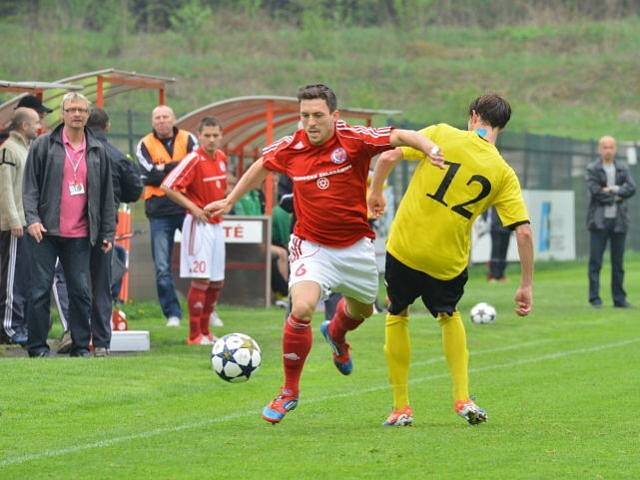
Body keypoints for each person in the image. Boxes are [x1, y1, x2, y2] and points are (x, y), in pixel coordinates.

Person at [206, 83, 444, 424]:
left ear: (334, 115)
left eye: (318, 115)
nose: (310, 123)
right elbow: (262, 164)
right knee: (302, 307)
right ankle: (289, 391)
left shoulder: (353, 140)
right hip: (311, 245)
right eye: (304, 116)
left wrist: (431, 147)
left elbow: (401, 136)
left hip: (355, 246)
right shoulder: (292, 146)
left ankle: (337, 334)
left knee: (363, 310)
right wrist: (229, 201)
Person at [368, 93, 534, 426]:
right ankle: (462, 398)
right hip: (448, 260)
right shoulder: (503, 173)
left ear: (473, 116)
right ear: (501, 127)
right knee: (448, 315)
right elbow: (524, 233)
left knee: (397, 313)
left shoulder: (442, 134)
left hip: (405, 247)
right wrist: (525, 285)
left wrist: (374, 194)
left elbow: (387, 158)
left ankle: (401, 407)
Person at [22, 92, 115, 357]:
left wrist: (107, 231)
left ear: (87, 115)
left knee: (80, 292)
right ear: (62, 114)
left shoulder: (97, 150)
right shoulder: (43, 145)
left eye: (81, 110)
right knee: (40, 290)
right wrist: (32, 220)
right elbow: (29, 187)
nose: (76, 114)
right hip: (45, 232)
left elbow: (107, 195)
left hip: (81, 234)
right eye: (71, 109)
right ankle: (37, 346)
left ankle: (79, 345)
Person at [161, 116, 227, 345]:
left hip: (218, 225)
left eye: (215, 135)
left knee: (217, 281)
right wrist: (194, 208)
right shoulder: (193, 159)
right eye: (207, 135)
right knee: (201, 279)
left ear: (221, 136)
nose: (211, 139)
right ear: (199, 136)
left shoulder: (221, 158)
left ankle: (206, 331)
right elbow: (167, 186)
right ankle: (194, 335)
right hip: (198, 226)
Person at [83, 107, 143, 355]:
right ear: (107, 126)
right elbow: (135, 190)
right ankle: (101, 340)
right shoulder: (118, 155)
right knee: (102, 282)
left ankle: (77, 333)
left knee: (76, 281)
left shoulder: (76, 151)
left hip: (74, 225)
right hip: (107, 225)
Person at [136, 105, 197, 327]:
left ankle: (206, 310)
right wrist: (177, 168)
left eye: (165, 116)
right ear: (153, 122)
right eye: (157, 118)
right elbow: (146, 175)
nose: (161, 121)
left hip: (187, 207)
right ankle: (173, 313)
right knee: (162, 266)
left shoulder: (189, 139)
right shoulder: (144, 144)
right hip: (159, 211)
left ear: (174, 119)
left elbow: (194, 168)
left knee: (200, 262)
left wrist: (162, 168)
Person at [0, 108, 40, 345]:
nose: (39, 126)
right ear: (24, 126)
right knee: (12, 277)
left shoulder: (24, 149)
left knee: (23, 277)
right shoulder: (8, 150)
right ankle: (9, 327)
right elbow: (5, 189)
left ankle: (19, 323)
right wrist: (14, 220)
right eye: (36, 122)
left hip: (25, 223)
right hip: (14, 226)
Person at [586, 135, 636, 308]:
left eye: (611, 147)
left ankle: (619, 299)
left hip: (619, 222)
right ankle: (594, 298)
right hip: (598, 222)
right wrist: (617, 197)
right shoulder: (592, 168)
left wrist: (613, 189)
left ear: (615, 149)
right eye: (605, 147)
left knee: (618, 263)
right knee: (595, 262)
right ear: (600, 149)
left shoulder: (622, 168)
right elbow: (595, 191)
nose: (608, 150)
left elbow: (631, 188)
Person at [485, 206, 512, 282]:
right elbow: (485, 210)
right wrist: (486, 221)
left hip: (507, 227)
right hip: (495, 227)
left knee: (504, 252)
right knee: (495, 251)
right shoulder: (494, 196)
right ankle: (493, 275)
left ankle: (501, 275)